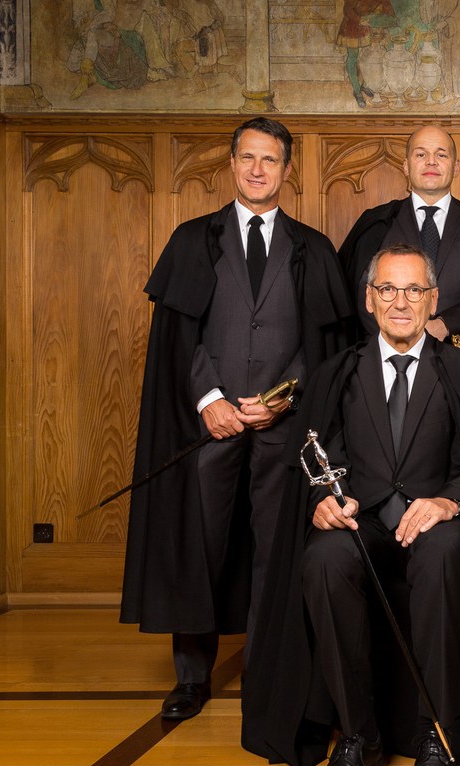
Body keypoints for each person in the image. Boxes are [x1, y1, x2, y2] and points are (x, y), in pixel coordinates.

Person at [241, 245, 460, 766]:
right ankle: (357, 736)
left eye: (414, 290)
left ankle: (436, 736)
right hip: (362, 521)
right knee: (323, 557)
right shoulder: (337, 373)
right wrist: (322, 501)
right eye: (388, 289)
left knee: (443, 554)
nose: (400, 301)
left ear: (433, 300)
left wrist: (447, 503)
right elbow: (320, 464)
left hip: (436, 524)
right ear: (369, 299)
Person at [121, 117, 357, 721]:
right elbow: (179, 337)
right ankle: (191, 677)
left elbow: (323, 345)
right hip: (210, 426)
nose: (257, 170)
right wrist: (210, 400)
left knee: (275, 550)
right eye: (248, 158)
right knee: (199, 544)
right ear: (231, 164)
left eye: (270, 160)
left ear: (287, 170)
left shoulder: (312, 249)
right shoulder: (192, 240)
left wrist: (285, 396)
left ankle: (265, 671)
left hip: (283, 428)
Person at [338, 125, 460, 392]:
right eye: (421, 154)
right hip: (385, 367)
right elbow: (360, 291)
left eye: (441, 155)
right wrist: (398, 336)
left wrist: (444, 325)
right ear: (406, 166)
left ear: (456, 167)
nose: (431, 161)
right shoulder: (375, 224)